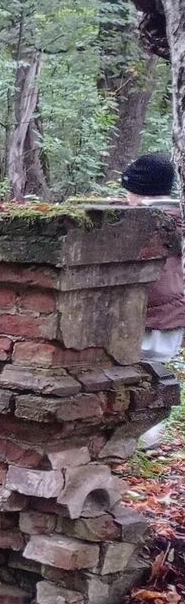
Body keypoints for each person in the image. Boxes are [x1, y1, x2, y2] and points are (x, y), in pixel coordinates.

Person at [124, 153, 185, 447]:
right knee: (152, 372)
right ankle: (144, 436)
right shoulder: (178, 216)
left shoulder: (144, 224)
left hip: (149, 317)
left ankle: (137, 438)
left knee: (136, 374)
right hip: (173, 317)